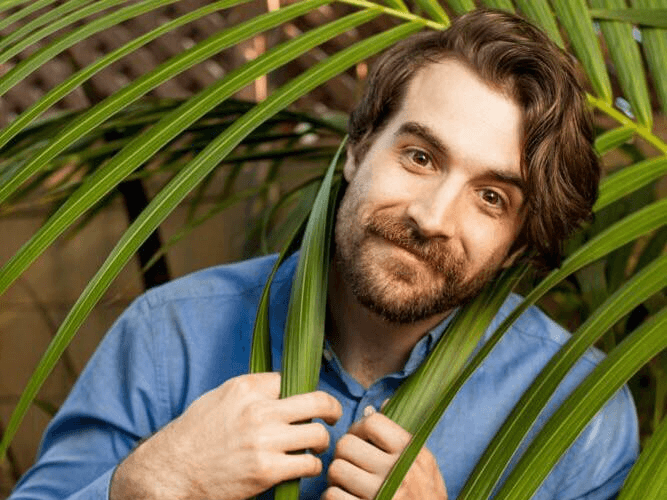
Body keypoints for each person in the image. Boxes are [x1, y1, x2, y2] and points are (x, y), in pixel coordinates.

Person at [9, 9, 638, 500]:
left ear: (517, 244)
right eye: (420, 157)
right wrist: (154, 482)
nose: (431, 218)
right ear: (358, 150)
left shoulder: (581, 414)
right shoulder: (167, 335)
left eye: (491, 198)